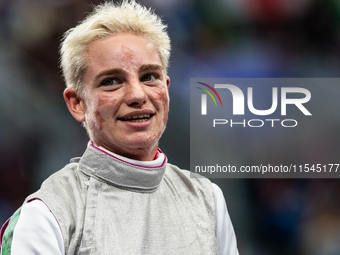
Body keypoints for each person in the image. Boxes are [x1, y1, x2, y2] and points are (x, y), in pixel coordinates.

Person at [0, 1, 239, 254]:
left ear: (166, 89)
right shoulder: (46, 213)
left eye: (149, 77)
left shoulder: (208, 199)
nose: (137, 95)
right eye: (111, 81)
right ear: (77, 103)